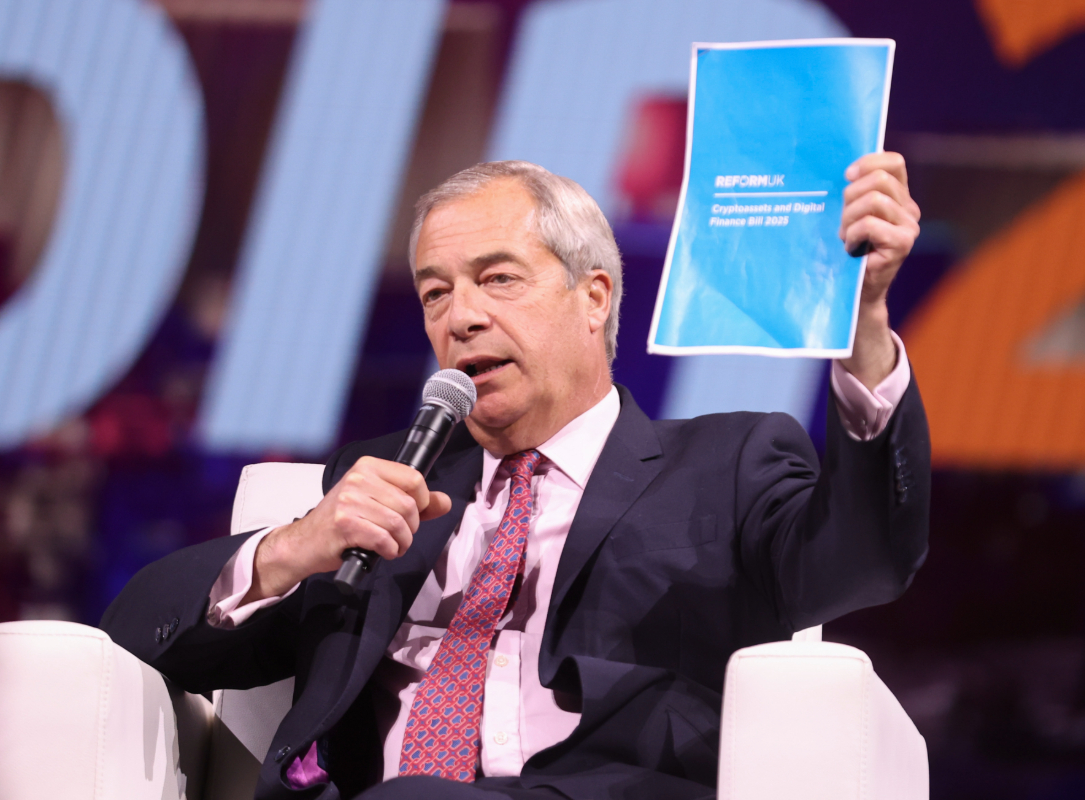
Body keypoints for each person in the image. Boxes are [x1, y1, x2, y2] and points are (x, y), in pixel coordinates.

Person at [102, 156, 928, 800]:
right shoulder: (387, 483)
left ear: (594, 297)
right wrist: (293, 547)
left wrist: (863, 330)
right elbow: (132, 636)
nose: (461, 317)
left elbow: (864, 560)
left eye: (498, 279)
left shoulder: (725, 464)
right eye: (435, 293)